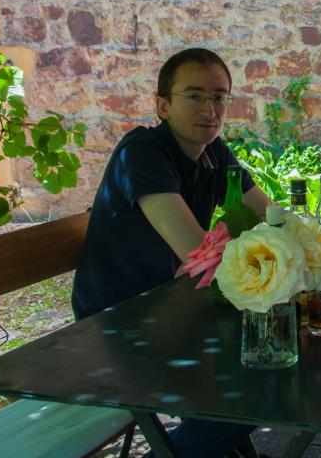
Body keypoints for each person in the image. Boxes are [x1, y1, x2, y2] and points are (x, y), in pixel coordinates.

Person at [72, 47, 272, 458]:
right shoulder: (142, 152)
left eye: (219, 96)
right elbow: (199, 252)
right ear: (163, 105)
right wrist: (248, 251)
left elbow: (269, 218)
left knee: (269, 367)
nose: (210, 108)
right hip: (117, 323)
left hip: (172, 309)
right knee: (259, 385)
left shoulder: (213, 152)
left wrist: (272, 245)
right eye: (195, 95)